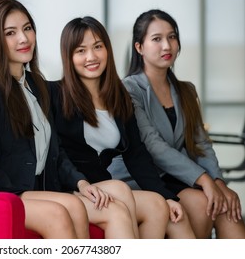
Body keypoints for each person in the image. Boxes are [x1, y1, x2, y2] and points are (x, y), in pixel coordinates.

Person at [0, 0, 139, 239]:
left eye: (27, 28)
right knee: (75, 207)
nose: (23, 38)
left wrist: (81, 183)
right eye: (11, 32)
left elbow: (55, 152)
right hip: (13, 191)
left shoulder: (36, 85)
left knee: (119, 196)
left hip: (45, 186)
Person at [50, 16, 195, 238]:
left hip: (104, 187)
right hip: (72, 187)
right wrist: (79, 182)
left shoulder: (118, 96)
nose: (92, 57)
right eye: (81, 51)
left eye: (98, 47)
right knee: (121, 189)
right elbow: (55, 153)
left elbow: (136, 154)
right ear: (68, 56)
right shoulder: (55, 95)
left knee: (160, 205)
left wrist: (167, 196)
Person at [120, 8, 245, 238]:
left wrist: (218, 181)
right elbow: (153, 146)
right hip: (142, 178)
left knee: (228, 209)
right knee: (201, 203)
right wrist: (204, 179)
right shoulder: (129, 89)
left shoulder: (186, 91)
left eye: (172, 37)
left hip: (177, 176)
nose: (167, 46)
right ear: (139, 47)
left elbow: (201, 144)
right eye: (156, 39)